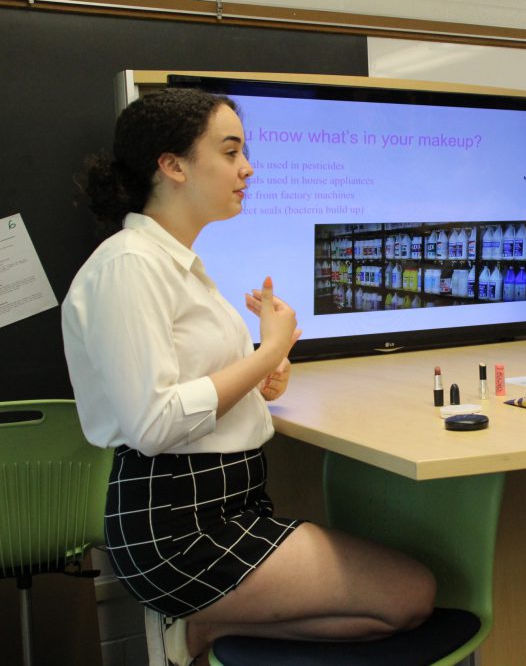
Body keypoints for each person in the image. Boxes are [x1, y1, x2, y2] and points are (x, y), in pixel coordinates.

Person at [62, 89, 435, 666]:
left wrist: (264, 380)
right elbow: (154, 422)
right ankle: (204, 621)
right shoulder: (129, 266)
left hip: (231, 504)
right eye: (231, 151)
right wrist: (269, 351)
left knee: (405, 600)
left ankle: (204, 627)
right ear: (173, 165)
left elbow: (194, 386)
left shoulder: (177, 264)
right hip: (174, 527)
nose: (249, 167)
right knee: (410, 597)